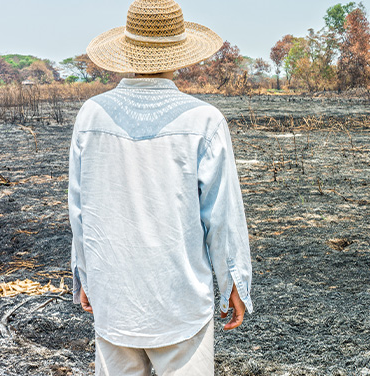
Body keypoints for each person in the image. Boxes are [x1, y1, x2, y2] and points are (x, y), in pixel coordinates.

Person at [67, 0, 253, 375]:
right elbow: (221, 215)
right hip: (180, 303)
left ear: (127, 50)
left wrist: (84, 273)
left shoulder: (91, 114)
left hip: (115, 301)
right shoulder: (204, 120)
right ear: (181, 53)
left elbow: (80, 211)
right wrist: (234, 283)